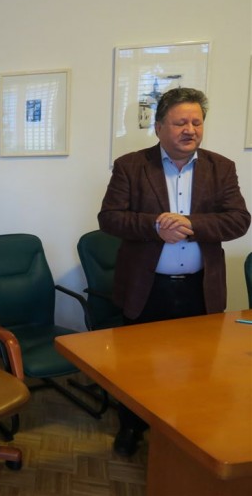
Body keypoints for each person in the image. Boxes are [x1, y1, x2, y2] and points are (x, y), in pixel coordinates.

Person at [98, 87, 250, 456]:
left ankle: (186, 428)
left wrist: (191, 224)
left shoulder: (221, 167)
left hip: (201, 288)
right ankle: (131, 427)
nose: (190, 130)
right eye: (181, 122)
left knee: (198, 365)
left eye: (197, 122)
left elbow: (239, 220)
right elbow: (110, 218)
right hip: (146, 287)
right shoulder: (131, 166)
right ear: (159, 127)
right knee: (136, 367)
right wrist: (156, 226)